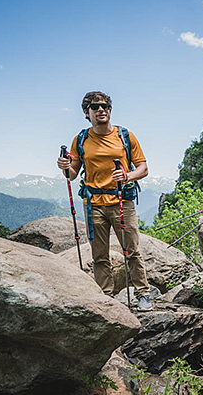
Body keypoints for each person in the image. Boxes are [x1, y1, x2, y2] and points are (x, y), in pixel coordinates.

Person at [57, 91, 153, 311]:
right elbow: (72, 174)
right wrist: (64, 166)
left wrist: (128, 176)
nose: (102, 110)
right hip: (93, 203)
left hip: (122, 199)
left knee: (131, 249)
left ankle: (143, 294)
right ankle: (106, 296)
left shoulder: (125, 136)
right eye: (95, 106)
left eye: (106, 106)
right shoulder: (81, 139)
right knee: (99, 254)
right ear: (86, 112)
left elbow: (143, 168)